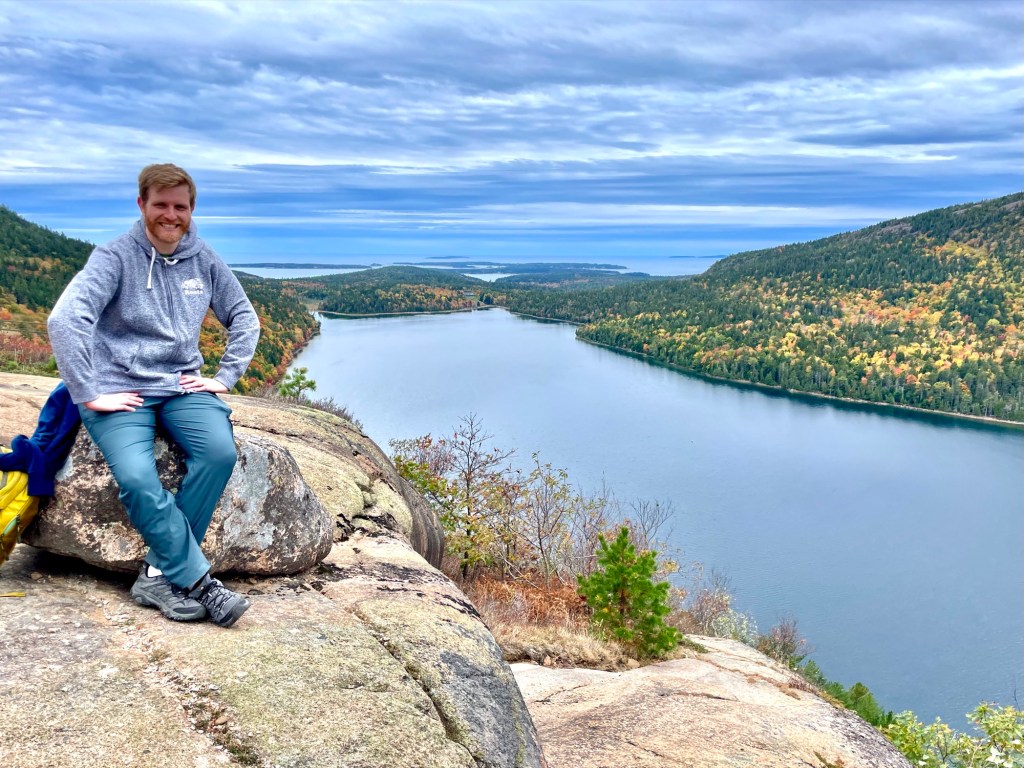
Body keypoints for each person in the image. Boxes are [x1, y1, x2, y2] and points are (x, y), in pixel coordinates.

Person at [47, 164, 261, 627]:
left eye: (179, 206)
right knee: (138, 477)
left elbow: (244, 317)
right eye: (160, 204)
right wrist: (89, 391)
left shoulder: (204, 259)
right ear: (141, 204)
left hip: (181, 385)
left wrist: (225, 376)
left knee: (219, 454)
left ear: (191, 209)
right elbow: (65, 320)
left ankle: (158, 574)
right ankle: (200, 583)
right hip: (119, 388)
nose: (170, 214)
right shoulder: (114, 256)